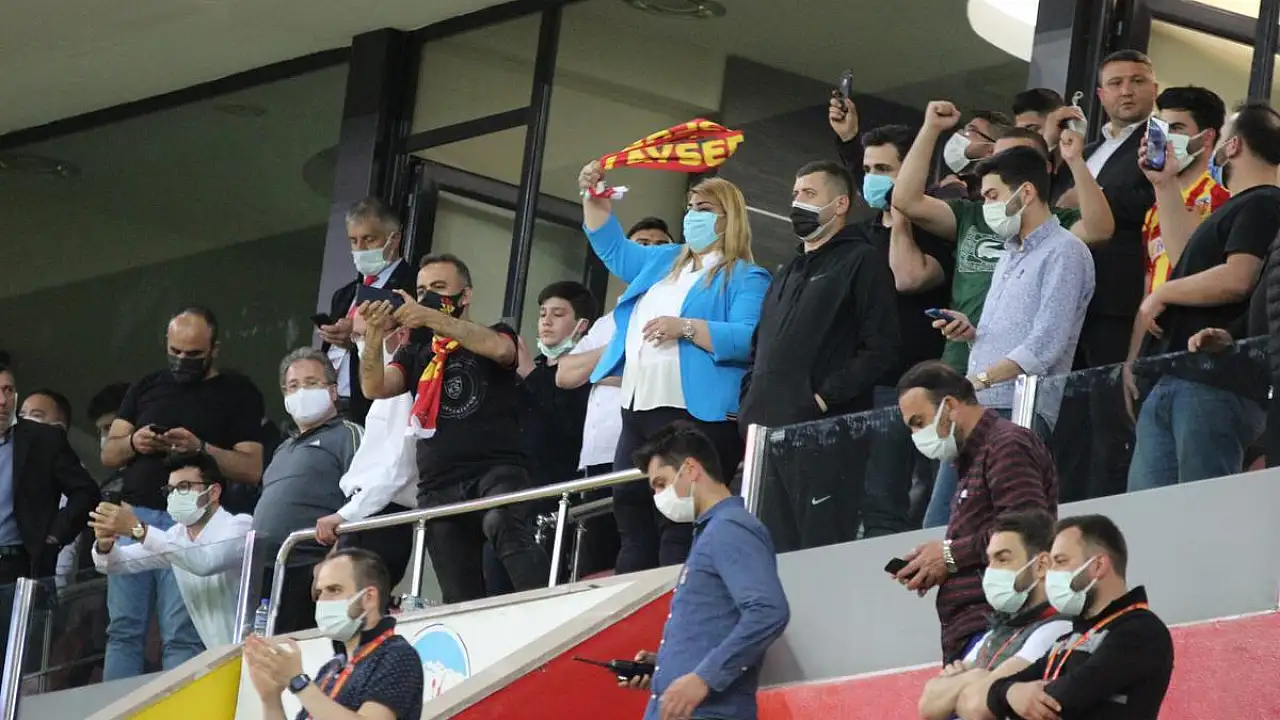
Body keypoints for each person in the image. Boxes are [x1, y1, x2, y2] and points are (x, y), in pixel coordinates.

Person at [578, 161, 770, 574]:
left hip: (693, 414)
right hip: (637, 407)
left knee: (678, 520)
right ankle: (632, 600)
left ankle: (676, 600)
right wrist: (594, 200)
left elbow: (749, 337)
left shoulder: (746, 276)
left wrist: (685, 328)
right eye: (690, 207)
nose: (692, 216)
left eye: (704, 209)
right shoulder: (666, 260)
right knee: (630, 513)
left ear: (728, 218)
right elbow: (613, 250)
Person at [921, 145, 1096, 529]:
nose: (986, 206)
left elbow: (1045, 345)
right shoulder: (1008, 253)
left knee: (988, 529)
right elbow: (1014, 336)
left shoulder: (1066, 251)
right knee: (944, 526)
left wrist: (978, 380)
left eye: (992, 195)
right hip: (982, 406)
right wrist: (972, 334)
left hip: (1017, 410)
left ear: (1026, 192)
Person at [359, 253, 550, 603]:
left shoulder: (495, 332)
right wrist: (373, 334)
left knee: (501, 522)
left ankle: (548, 607)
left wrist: (429, 316)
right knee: (459, 596)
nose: (428, 296)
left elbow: (501, 350)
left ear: (466, 295)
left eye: (438, 287)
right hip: (438, 485)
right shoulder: (416, 352)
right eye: (422, 290)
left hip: (495, 470)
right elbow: (374, 387)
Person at [739, 157, 901, 551]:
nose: (798, 202)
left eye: (810, 194)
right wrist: (749, 401)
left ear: (841, 204)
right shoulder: (788, 270)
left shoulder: (862, 260)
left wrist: (823, 398)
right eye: (796, 193)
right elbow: (761, 345)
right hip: (764, 434)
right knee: (763, 548)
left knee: (815, 548)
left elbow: (881, 346)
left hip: (824, 436)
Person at [892, 101, 1113, 382]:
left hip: (1014, 387)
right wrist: (931, 129)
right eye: (998, 157)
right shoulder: (983, 223)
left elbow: (1100, 229)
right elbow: (906, 201)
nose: (1001, 168)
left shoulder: (1060, 237)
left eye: (1015, 160)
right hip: (966, 364)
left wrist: (1075, 161)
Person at [99, 307, 264, 679]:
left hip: (193, 519)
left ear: (214, 349)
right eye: (175, 351)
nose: (182, 360)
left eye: (193, 354)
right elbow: (110, 453)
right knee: (123, 628)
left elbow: (251, 467)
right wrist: (135, 442)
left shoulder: (237, 392)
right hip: (137, 510)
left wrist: (199, 447)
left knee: (180, 633)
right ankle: (116, 705)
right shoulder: (147, 385)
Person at [1125, 101, 1280, 492]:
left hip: (1211, 382)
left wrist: (1163, 291)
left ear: (1233, 146)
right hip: (1178, 376)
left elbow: (1238, 277)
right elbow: (1186, 264)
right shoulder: (1239, 207)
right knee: (1148, 516)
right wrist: (1164, 183)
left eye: (1224, 137)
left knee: (1198, 509)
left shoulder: (1265, 201)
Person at [620, 423, 789, 720]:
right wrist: (663, 666)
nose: (658, 496)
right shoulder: (713, 531)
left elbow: (768, 611)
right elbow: (716, 625)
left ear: (690, 468)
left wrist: (704, 678)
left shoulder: (730, 527)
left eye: (661, 483)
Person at [893, 361, 1057, 663]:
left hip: (1001, 630)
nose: (916, 435)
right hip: (980, 633)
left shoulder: (1007, 445)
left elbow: (1027, 533)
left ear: (950, 406)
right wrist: (941, 562)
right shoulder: (971, 459)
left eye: (919, 422)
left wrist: (949, 554)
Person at [986, 515, 1173, 720]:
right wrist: (1012, 692)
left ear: (1098, 565)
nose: (1050, 574)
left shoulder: (1141, 631)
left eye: (1060, 561)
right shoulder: (1070, 638)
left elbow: (1063, 699)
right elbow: (994, 693)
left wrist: (1017, 697)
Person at [1053, 49, 1159, 368]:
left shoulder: (1161, 142)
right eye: (1116, 83)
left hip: (1117, 296)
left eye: (1137, 81)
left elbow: (1151, 201)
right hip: (1066, 294)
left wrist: (1092, 195)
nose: (1126, 90)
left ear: (1154, 89)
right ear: (1101, 95)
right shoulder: (1085, 151)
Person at [917, 510, 1073, 720]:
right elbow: (928, 705)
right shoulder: (995, 631)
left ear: (1041, 565)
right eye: (989, 561)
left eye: (1002, 559)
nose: (991, 571)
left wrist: (962, 680)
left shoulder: (1058, 628)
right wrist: (977, 677)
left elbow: (976, 705)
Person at [90, 453, 251, 648]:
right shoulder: (175, 536)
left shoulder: (240, 526)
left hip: (260, 645)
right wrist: (104, 544)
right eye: (170, 490)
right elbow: (118, 564)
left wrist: (138, 529)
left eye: (183, 487)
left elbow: (207, 562)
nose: (174, 496)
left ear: (213, 492)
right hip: (220, 653)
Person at [254, 348, 363, 633]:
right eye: (293, 386)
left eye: (311, 383)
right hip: (265, 574)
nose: (301, 392)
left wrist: (332, 565)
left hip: (312, 570)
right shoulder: (282, 449)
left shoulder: (348, 434)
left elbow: (363, 502)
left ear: (333, 391)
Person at [244, 548, 424, 720]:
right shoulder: (332, 668)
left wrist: (298, 681)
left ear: (368, 598)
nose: (322, 601)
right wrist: (271, 699)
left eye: (334, 590)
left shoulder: (397, 655)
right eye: (319, 593)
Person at [319, 317, 417, 590]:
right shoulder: (383, 396)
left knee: (358, 605)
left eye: (369, 334)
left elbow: (397, 469)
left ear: (401, 334)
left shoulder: (402, 392)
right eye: (357, 337)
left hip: (381, 518)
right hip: (364, 515)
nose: (362, 344)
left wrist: (345, 515)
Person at [0, 361, 99, 585]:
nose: (3, 401)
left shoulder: (42, 439)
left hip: (18, 565)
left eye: (8, 390)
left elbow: (86, 492)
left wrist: (54, 536)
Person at [320, 197, 418, 424]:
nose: (360, 248)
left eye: (369, 239)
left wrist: (357, 338)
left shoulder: (413, 285)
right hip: (330, 406)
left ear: (395, 239)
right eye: (353, 241)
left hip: (373, 407)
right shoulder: (344, 294)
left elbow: (411, 348)